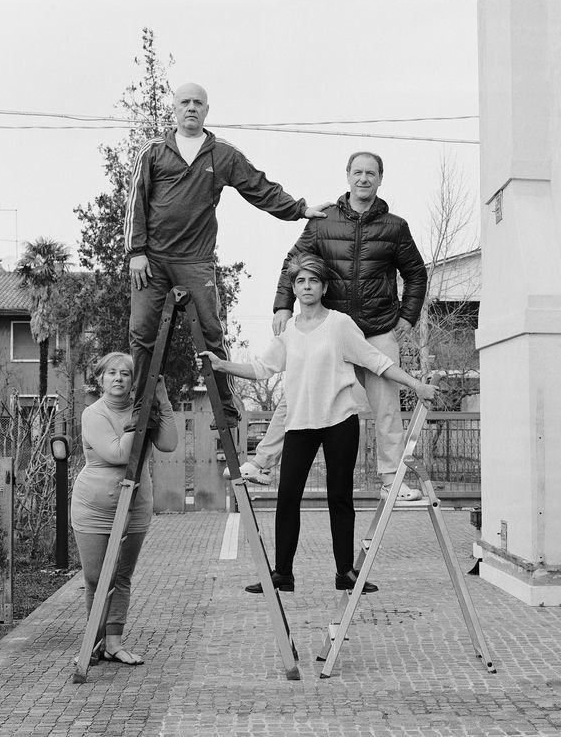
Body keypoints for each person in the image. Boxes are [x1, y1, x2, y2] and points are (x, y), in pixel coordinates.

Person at [201, 254, 437, 593]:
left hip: (339, 422)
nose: (307, 286)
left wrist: (416, 386)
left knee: (340, 498)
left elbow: (378, 362)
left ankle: (345, 573)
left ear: (324, 287)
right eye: (301, 281)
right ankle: (283, 573)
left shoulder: (340, 324)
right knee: (287, 497)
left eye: (313, 281)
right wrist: (222, 365)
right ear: (295, 289)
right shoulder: (289, 332)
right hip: (300, 425)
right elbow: (261, 369)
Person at [124, 82, 331, 430]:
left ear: (207, 110)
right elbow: (135, 201)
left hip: (196, 259)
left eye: (198, 103)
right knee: (142, 333)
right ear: (174, 109)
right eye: (185, 102)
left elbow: (259, 187)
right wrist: (136, 252)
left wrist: (299, 209)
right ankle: (142, 407)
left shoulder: (222, 153)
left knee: (210, 331)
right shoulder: (153, 151)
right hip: (152, 260)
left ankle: (226, 406)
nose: (191, 107)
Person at [235, 151, 428, 501]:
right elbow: (293, 262)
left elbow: (416, 273)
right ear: (348, 175)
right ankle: (261, 464)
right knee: (296, 396)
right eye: (358, 172)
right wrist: (283, 305)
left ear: (380, 178)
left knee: (387, 407)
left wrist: (407, 316)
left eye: (371, 173)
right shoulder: (323, 222)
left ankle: (391, 481)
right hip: (331, 332)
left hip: (377, 329)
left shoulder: (395, 227)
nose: (364, 178)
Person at [71, 352, 178, 665]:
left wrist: (161, 400)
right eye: (111, 373)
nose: (118, 378)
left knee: (121, 576)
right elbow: (119, 454)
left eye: (126, 373)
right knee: (95, 578)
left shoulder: (143, 408)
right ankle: (94, 642)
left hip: (136, 504)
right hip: (94, 507)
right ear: (100, 379)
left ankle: (113, 644)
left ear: (135, 381)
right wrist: (142, 417)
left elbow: (169, 444)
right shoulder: (93, 414)